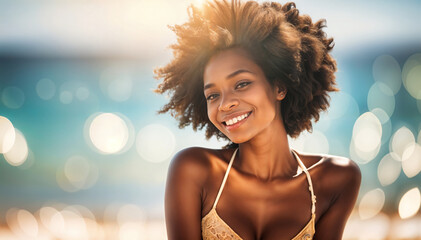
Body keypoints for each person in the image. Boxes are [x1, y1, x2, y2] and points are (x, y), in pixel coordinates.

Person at [154, 0, 361, 239]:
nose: (225, 104)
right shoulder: (194, 170)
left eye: (241, 84)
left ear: (279, 87)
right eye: (213, 95)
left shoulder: (336, 180)